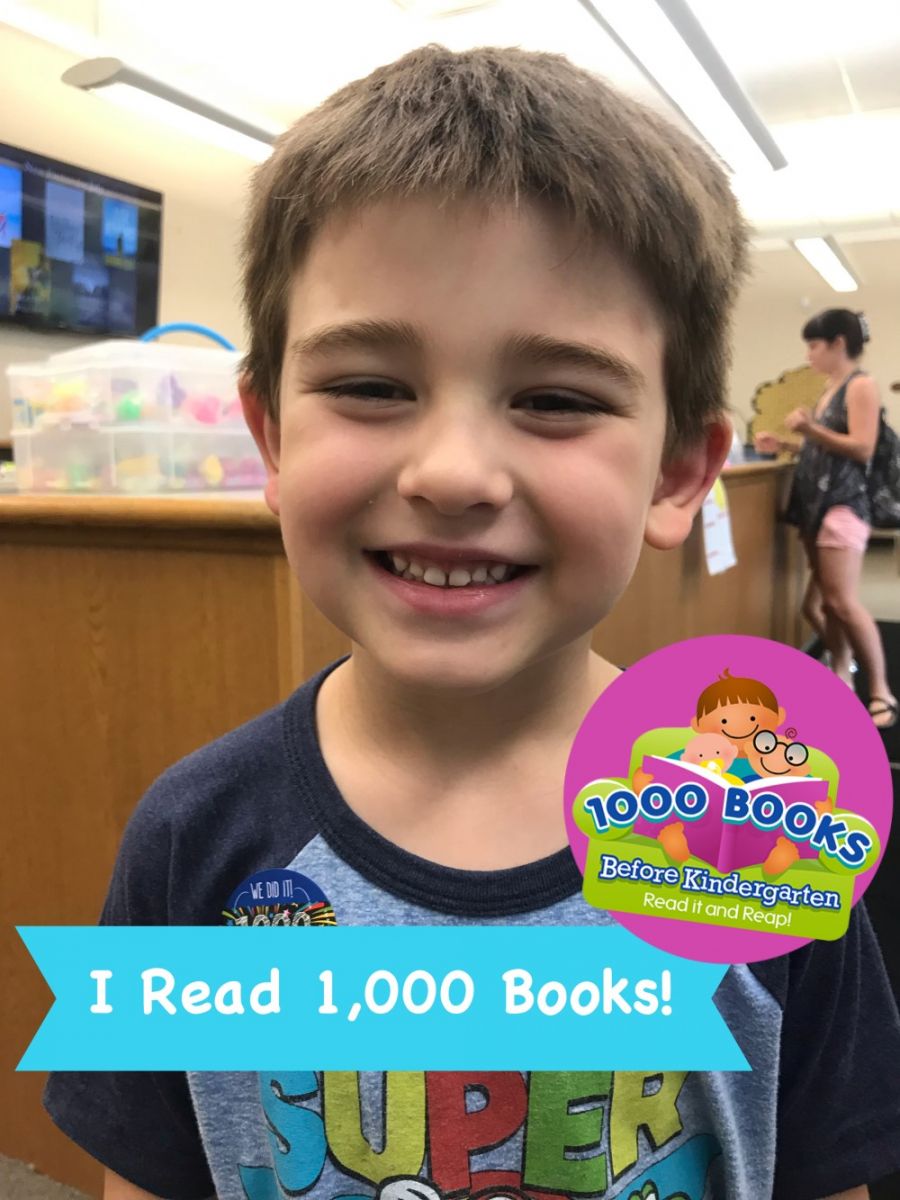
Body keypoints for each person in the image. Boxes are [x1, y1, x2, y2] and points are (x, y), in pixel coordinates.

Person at [43, 45, 900, 1200]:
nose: (452, 473)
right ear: (273, 441)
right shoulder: (197, 843)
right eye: (370, 386)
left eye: (555, 399)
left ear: (679, 472)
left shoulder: (762, 833)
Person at [756, 309, 897, 730]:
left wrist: (810, 429)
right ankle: (842, 668)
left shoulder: (861, 385)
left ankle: (881, 690)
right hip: (819, 508)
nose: (809, 354)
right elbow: (826, 450)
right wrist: (787, 442)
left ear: (838, 343)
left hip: (843, 508)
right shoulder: (831, 388)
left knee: (841, 603)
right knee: (818, 606)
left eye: (814, 345)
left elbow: (861, 448)